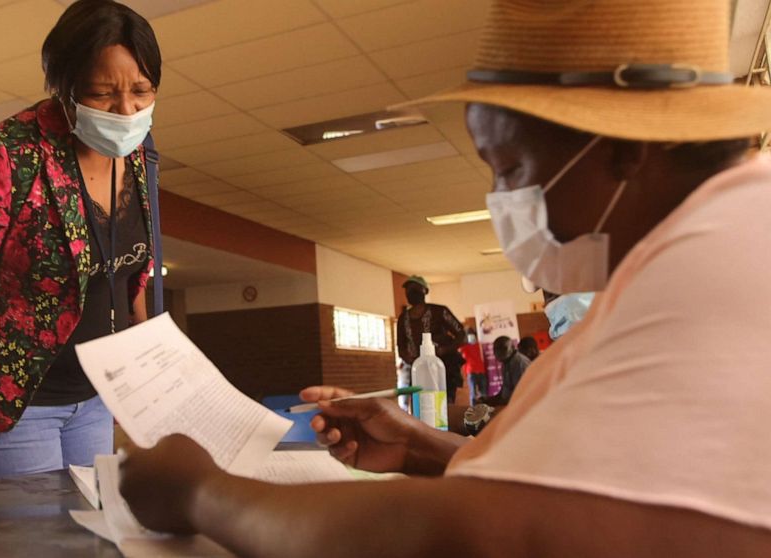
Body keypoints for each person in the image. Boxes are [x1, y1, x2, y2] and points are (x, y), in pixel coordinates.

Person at [115, 0, 771, 555]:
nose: (503, 200)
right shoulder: (671, 258)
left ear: (626, 146)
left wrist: (200, 492)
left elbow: (485, 535)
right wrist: (427, 448)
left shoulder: (732, 247)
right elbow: (601, 487)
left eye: (510, 168)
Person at [0, 0, 164, 484]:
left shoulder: (140, 158)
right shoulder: (5, 157)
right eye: (103, 94)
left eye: (142, 92)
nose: (127, 111)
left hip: (93, 401)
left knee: (88, 541)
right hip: (10, 411)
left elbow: (129, 278)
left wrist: (146, 383)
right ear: (64, 89)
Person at [395, 275, 466, 406]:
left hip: (444, 367)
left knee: (444, 404)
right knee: (421, 404)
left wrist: (443, 350)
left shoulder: (440, 311)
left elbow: (462, 335)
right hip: (419, 369)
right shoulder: (403, 319)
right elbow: (401, 346)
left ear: (425, 291)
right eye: (408, 290)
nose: (411, 293)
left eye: (415, 289)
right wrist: (411, 359)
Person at [478, 336, 531, 406]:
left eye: (503, 348)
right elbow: (505, 390)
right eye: (496, 349)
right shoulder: (506, 362)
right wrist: (489, 400)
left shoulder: (519, 363)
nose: (499, 352)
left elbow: (521, 393)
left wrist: (499, 403)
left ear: (512, 347)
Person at [458, 327, 487, 402]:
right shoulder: (465, 347)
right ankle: (474, 411)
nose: (471, 337)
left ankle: (483, 409)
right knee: (474, 394)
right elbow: (461, 354)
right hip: (472, 372)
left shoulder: (480, 345)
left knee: (482, 393)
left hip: (479, 371)